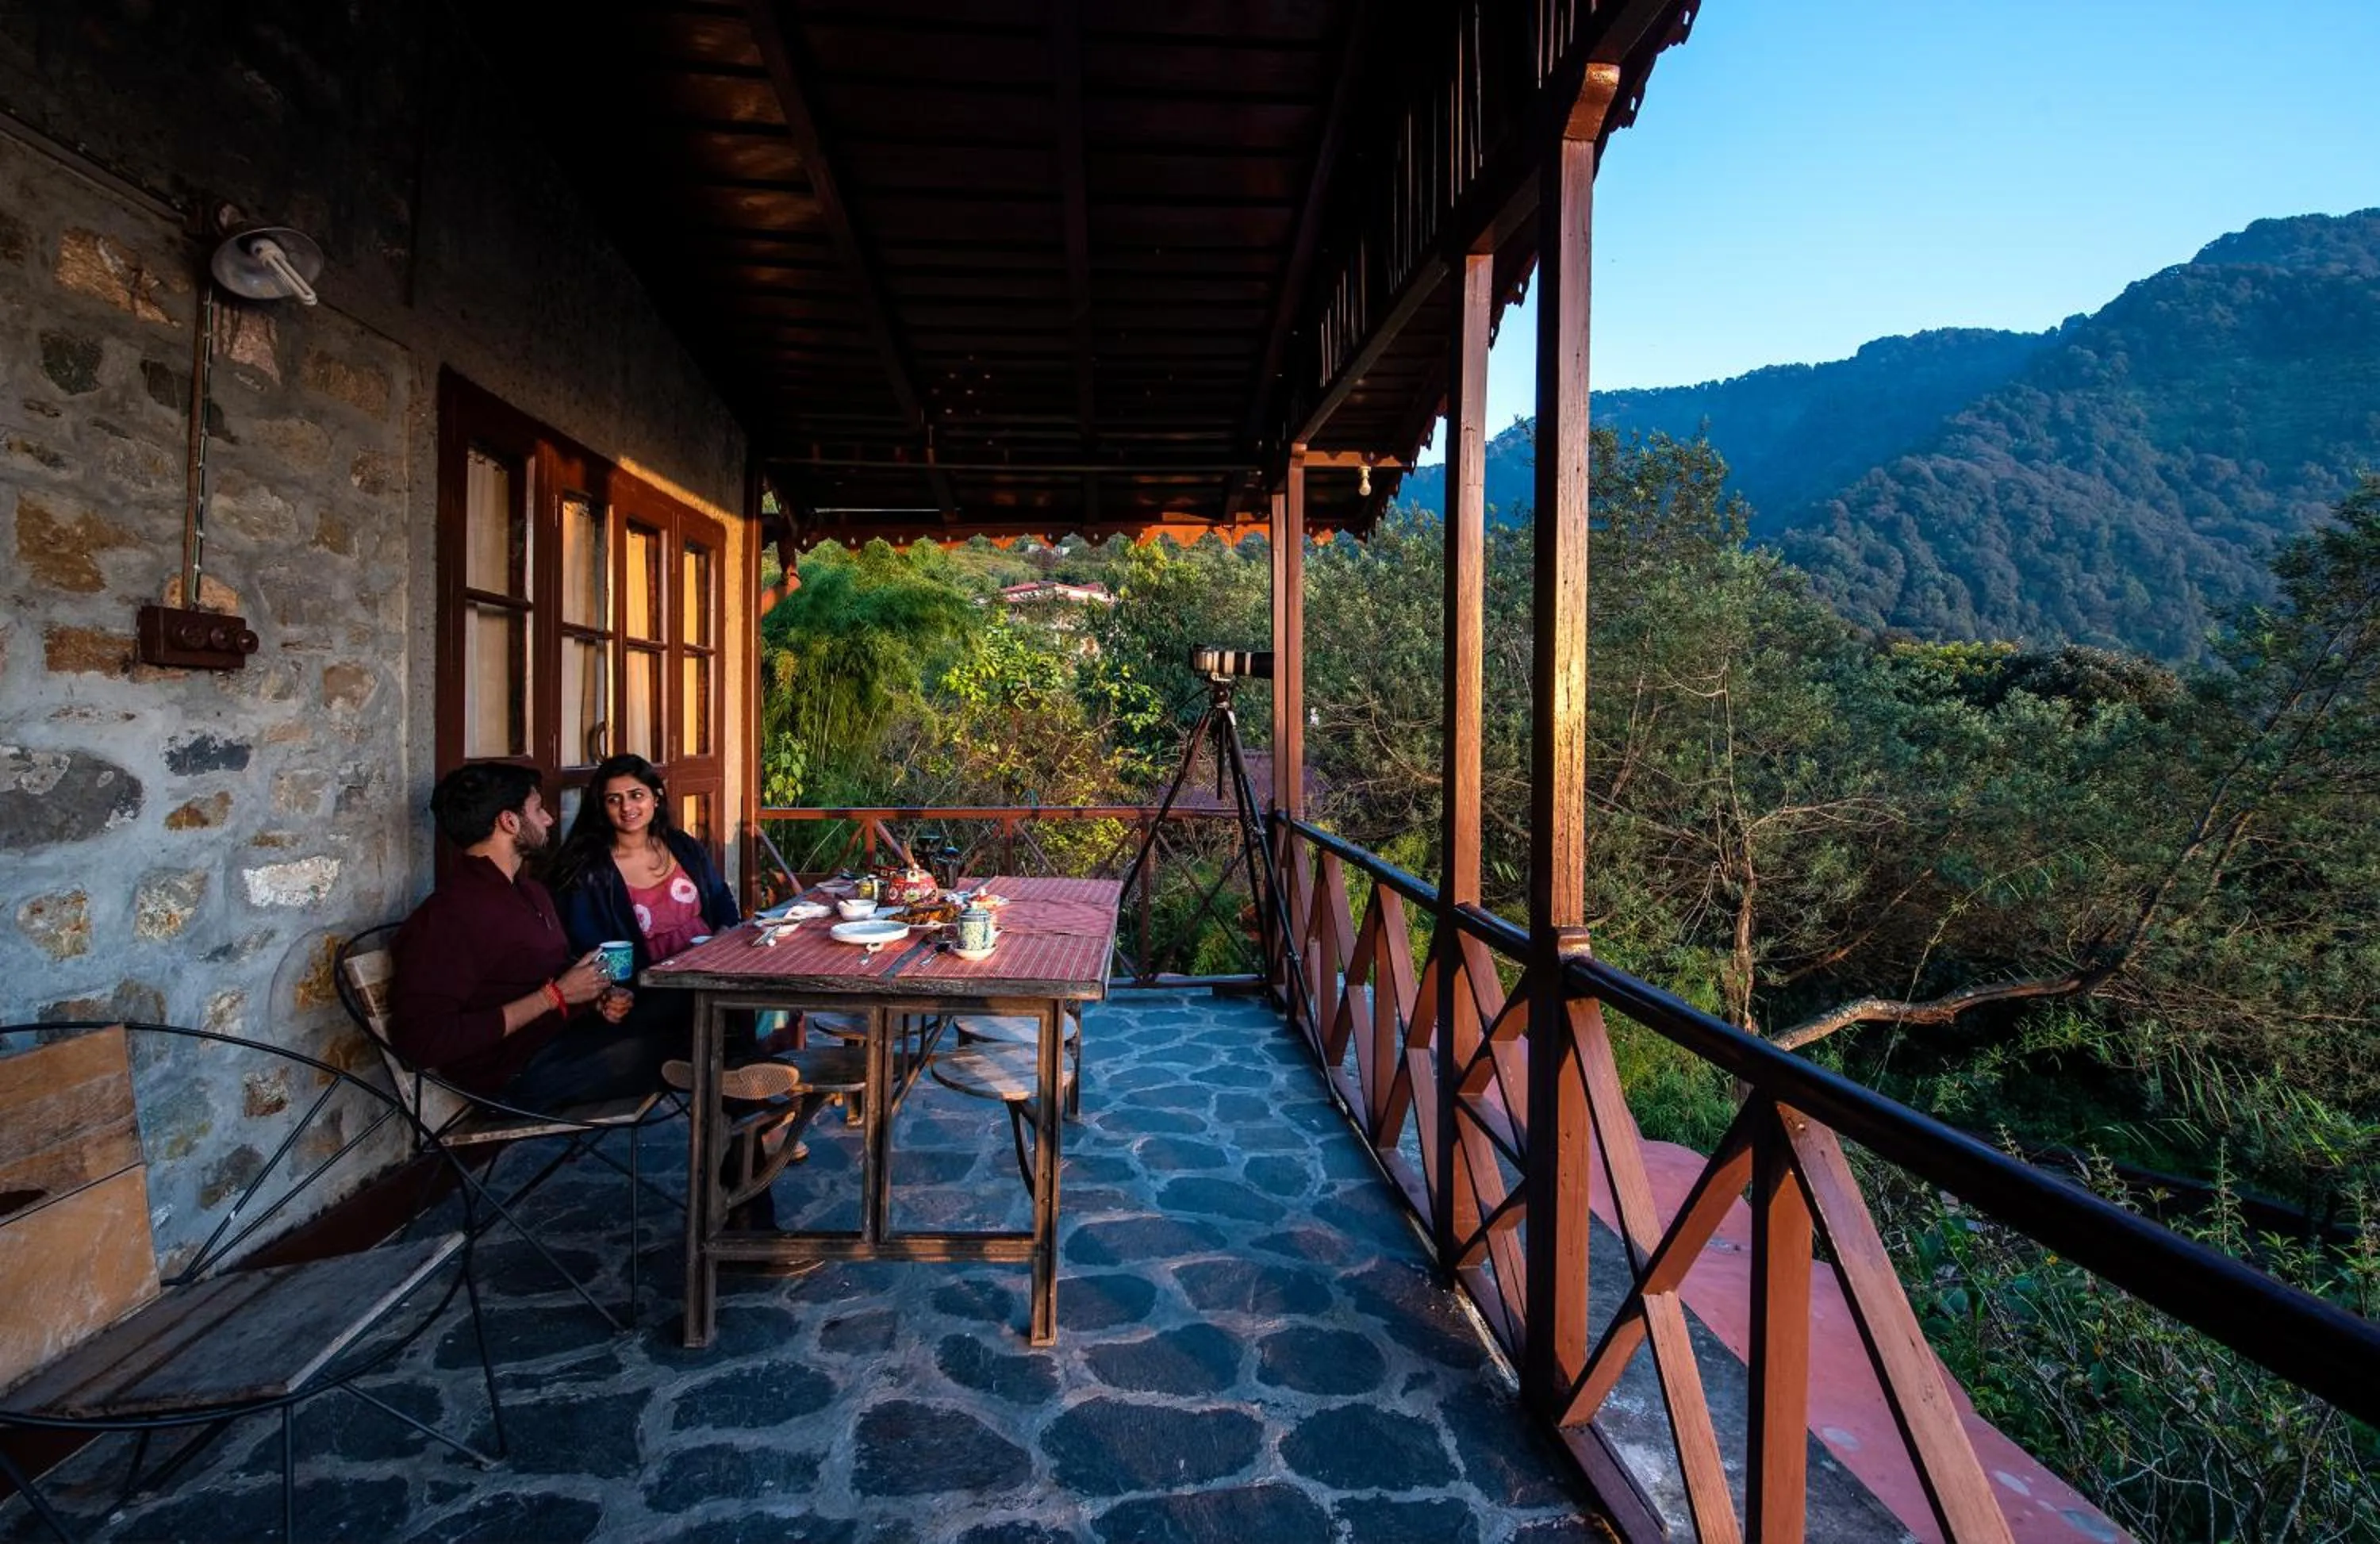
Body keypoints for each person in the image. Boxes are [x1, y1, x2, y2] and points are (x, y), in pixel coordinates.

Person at [391, 762, 669, 1112]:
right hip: (514, 1075)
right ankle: (745, 1142)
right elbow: (421, 1041)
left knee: (684, 1018)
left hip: (560, 1043)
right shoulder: (451, 915)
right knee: (677, 1046)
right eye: (538, 810)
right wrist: (553, 996)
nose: (549, 820)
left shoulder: (529, 892)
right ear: (509, 821)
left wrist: (593, 999)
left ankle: (752, 1139)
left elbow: (542, 980)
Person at [547, 754, 799, 1104]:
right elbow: (584, 944)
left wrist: (726, 932)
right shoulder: (590, 871)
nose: (627, 807)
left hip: (709, 970)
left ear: (655, 797)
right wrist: (607, 994)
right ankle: (751, 1102)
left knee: (771, 994)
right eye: (613, 799)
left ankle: (738, 1088)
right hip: (648, 988)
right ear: (601, 806)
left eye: (636, 795)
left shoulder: (681, 846)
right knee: (719, 1009)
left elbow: (719, 896)